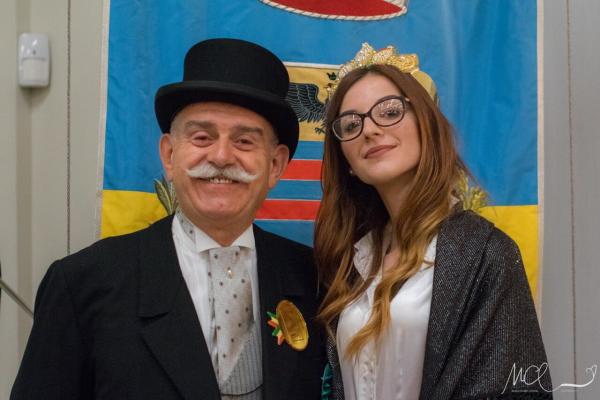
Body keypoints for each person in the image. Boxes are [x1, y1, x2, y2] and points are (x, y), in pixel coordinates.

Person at [11, 38, 324, 400]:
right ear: (170, 155)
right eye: (202, 137)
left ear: (275, 165)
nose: (222, 156)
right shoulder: (82, 284)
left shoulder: (317, 281)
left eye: (244, 142)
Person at [315, 44, 552, 399]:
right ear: (346, 161)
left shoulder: (486, 253)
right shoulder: (349, 259)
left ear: (427, 125)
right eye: (351, 124)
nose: (369, 130)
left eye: (390, 111)